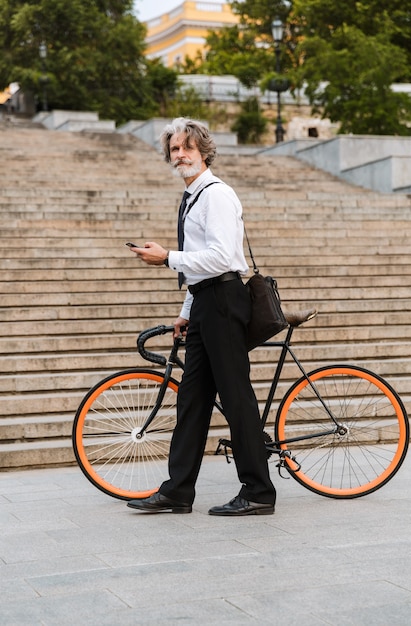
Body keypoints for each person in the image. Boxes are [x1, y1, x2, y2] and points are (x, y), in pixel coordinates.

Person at [126, 117, 276, 516]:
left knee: (236, 396)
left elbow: (225, 259)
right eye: (174, 149)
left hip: (225, 301)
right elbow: (201, 270)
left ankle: (259, 492)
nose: (180, 155)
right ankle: (177, 491)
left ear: (204, 151)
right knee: (192, 401)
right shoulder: (192, 196)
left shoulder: (216, 195)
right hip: (206, 302)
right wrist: (186, 312)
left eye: (187, 148)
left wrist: (166, 257)